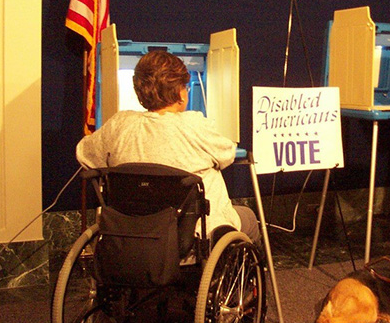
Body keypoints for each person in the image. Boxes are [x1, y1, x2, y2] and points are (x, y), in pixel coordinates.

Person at [76, 50, 260, 243]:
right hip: (193, 235)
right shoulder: (194, 124)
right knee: (248, 217)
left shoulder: (118, 124)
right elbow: (227, 154)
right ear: (181, 93)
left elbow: (84, 155)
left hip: (133, 232)